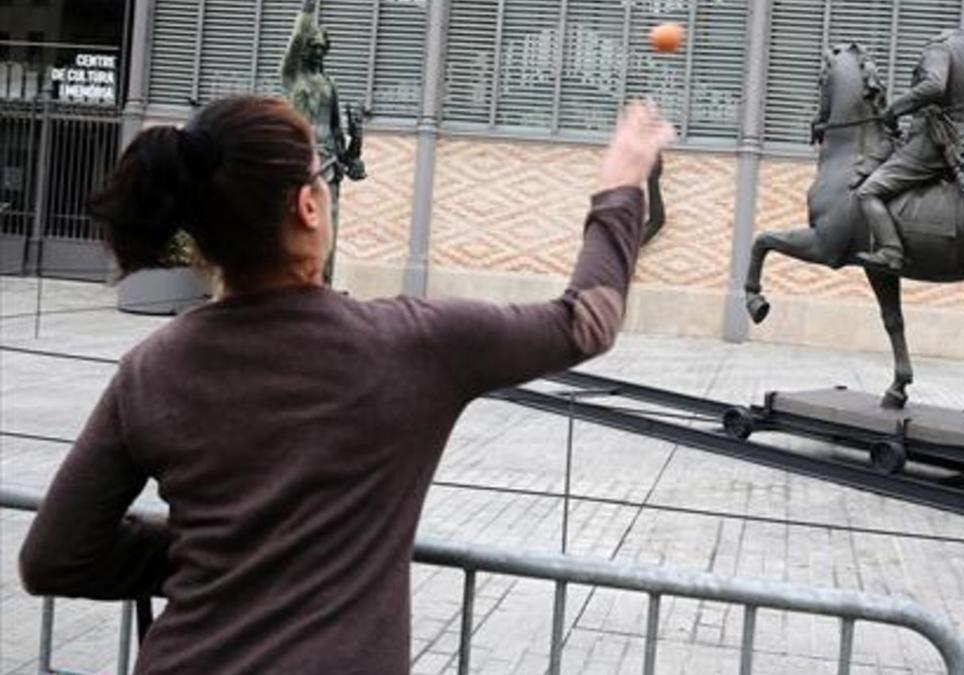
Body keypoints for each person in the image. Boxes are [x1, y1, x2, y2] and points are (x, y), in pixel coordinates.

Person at [18, 95, 674, 674]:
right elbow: (587, 319)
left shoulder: (152, 368)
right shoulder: (409, 344)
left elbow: (54, 556)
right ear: (308, 206)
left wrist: (216, 555)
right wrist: (621, 185)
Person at [855, 28, 964, 272]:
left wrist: (894, 109)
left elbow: (934, 86)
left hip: (934, 142)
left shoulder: (939, 46)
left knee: (868, 192)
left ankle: (890, 251)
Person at [281, 0, 366, 284]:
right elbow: (295, 40)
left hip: (329, 165)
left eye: (321, 47)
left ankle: (322, 287)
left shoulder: (329, 85)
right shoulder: (294, 77)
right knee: (297, 226)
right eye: (312, 46)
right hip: (301, 161)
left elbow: (338, 136)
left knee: (328, 227)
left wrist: (358, 137)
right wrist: (308, 9)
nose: (318, 51)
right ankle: (294, 288)